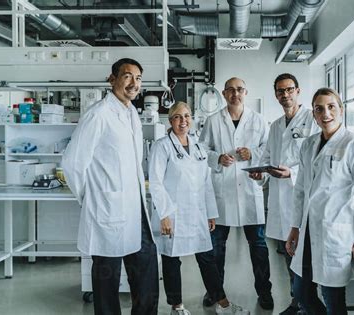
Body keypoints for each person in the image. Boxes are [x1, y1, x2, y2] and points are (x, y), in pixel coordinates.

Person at [62, 58, 159, 315]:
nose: (134, 83)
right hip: (106, 209)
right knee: (107, 279)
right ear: (112, 79)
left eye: (138, 78)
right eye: (127, 76)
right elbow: (72, 164)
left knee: (147, 267)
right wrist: (92, 198)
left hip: (134, 208)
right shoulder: (98, 115)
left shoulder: (131, 115)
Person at [148, 102, 250, 315]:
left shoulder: (198, 147)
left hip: (196, 213)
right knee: (171, 260)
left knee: (207, 258)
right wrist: (164, 214)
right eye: (177, 117)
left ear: (191, 119)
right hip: (173, 214)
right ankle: (177, 307)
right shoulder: (161, 146)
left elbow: (206, 183)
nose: (183, 121)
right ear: (170, 121)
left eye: (186, 116)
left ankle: (222, 304)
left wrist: (210, 213)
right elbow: (156, 182)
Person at [286, 88, 354, 314]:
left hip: (334, 232)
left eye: (331, 107)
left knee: (333, 299)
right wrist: (295, 228)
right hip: (308, 230)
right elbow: (300, 190)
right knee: (301, 293)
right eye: (319, 109)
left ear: (341, 110)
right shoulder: (308, 144)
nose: (325, 113)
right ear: (314, 115)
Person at [199, 77, 274, 310]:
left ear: (246, 92)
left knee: (259, 247)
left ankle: (264, 292)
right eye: (230, 90)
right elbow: (202, 150)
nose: (235, 94)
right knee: (216, 248)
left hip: (250, 192)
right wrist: (218, 158)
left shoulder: (259, 120)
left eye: (240, 89)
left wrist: (252, 153)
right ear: (223, 93)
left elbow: (268, 150)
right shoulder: (213, 120)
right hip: (223, 192)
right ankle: (214, 291)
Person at [249, 73, 320, 315]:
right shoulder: (277, 125)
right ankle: (296, 301)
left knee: (304, 257)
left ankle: (306, 303)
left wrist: (292, 172)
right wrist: (261, 172)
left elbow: (316, 159)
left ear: (298, 91)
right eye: (280, 91)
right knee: (288, 254)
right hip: (280, 201)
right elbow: (268, 156)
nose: (285, 94)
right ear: (276, 94)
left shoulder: (312, 119)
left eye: (289, 89)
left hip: (302, 198)